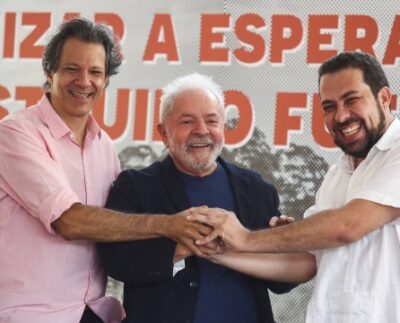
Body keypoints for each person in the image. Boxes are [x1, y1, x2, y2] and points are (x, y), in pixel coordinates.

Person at [0, 18, 219, 323]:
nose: (84, 81)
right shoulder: (14, 133)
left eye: (96, 72)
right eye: (72, 69)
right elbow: (69, 220)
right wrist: (171, 225)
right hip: (31, 314)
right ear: (50, 72)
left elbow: (119, 223)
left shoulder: (103, 145)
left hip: (93, 312)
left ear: (107, 80)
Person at [190, 51, 400, 322]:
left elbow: (347, 227)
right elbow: (305, 262)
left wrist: (244, 237)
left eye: (351, 100)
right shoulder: (339, 172)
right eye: (329, 106)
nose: (341, 116)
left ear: (384, 98)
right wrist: (219, 251)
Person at [98, 73, 297, 323]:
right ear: (163, 132)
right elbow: (116, 262)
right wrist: (180, 247)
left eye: (212, 121)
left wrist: (284, 243)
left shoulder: (256, 188)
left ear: (223, 128)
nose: (201, 131)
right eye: (187, 122)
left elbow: (281, 285)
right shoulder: (135, 187)